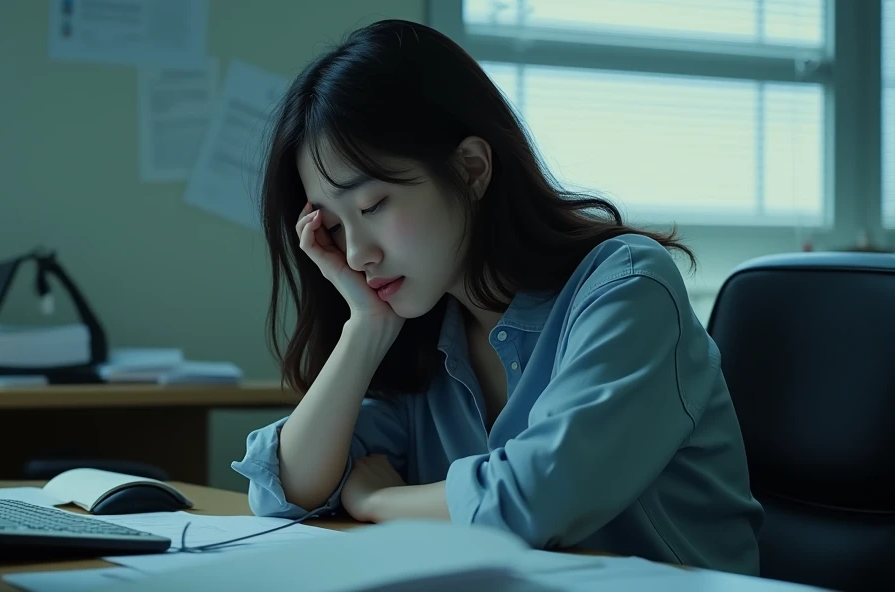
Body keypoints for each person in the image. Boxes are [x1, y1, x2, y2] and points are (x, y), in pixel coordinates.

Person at [231, 19, 764, 575]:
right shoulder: (424, 332)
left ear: (471, 169)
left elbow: (538, 499)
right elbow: (286, 491)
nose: (358, 252)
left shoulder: (627, 289)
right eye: (334, 226)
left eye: (372, 206)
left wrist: (379, 503)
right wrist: (364, 327)